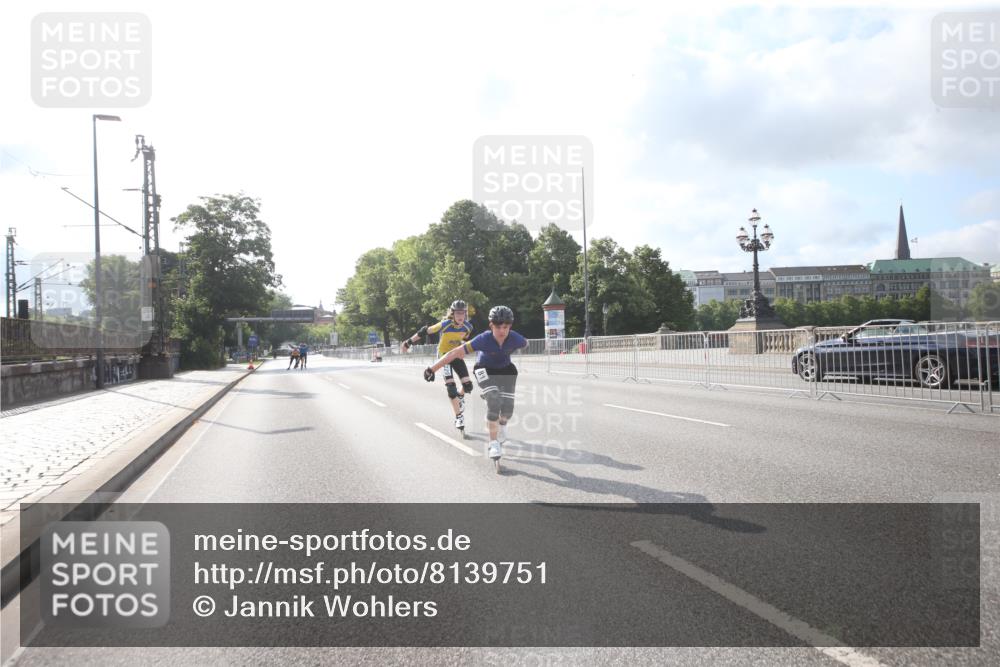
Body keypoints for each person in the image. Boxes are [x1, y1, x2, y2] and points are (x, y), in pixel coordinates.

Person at [423, 305, 527, 461]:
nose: (502, 331)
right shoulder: (484, 338)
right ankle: (493, 444)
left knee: (508, 409)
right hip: (484, 369)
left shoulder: (515, 338)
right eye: (498, 327)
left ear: (510, 326)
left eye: (505, 327)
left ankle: (503, 425)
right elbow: (454, 353)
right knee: (493, 402)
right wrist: (432, 368)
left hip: (506, 369)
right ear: (491, 325)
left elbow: (525, 344)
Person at [403, 300, 474, 432]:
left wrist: (463, 350)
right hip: (443, 356)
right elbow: (425, 331)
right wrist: (409, 342)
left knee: (468, 385)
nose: (460, 316)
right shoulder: (445, 324)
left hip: (456, 355)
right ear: (452, 314)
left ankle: (460, 396)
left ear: (466, 314)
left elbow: (465, 341)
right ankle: (459, 417)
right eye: (457, 313)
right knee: (451, 387)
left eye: (462, 313)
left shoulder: (468, 327)